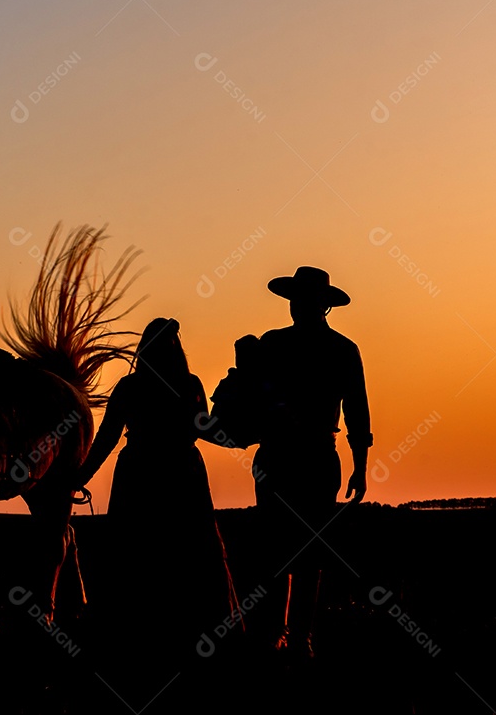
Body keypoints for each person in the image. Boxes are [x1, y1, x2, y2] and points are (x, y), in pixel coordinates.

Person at [75, 317, 239, 657]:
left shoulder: (129, 387)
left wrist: (79, 477)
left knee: (136, 552)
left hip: (141, 473)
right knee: (192, 551)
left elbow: (107, 438)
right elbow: (205, 428)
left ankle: (133, 634)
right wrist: (238, 436)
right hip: (181, 474)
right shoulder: (188, 384)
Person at [251, 266, 372, 658]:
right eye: (294, 300)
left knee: (287, 547)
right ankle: (291, 635)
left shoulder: (274, 345)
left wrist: (360, 465)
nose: (295, 306)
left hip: (290, 455)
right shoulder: (341, 349)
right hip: (313, 457)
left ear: (320, 305)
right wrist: (359, 466)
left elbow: (357, 413)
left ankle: (288, 634)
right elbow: (357, 413)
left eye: (301, 300)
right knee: (296, 548)